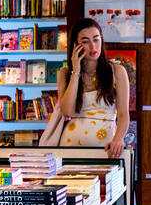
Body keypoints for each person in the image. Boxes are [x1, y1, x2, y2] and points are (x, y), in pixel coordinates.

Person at [54, 18, 129, 157]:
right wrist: (75, 72)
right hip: (71, 148)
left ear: (102, 40)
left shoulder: (117, 71)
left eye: (96, 39)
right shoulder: (65, 73)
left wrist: (118, 139)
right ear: (76, 45)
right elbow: (67, 111)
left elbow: (124, 114)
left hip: (105, 148)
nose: (93, 47)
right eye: (85, 41)